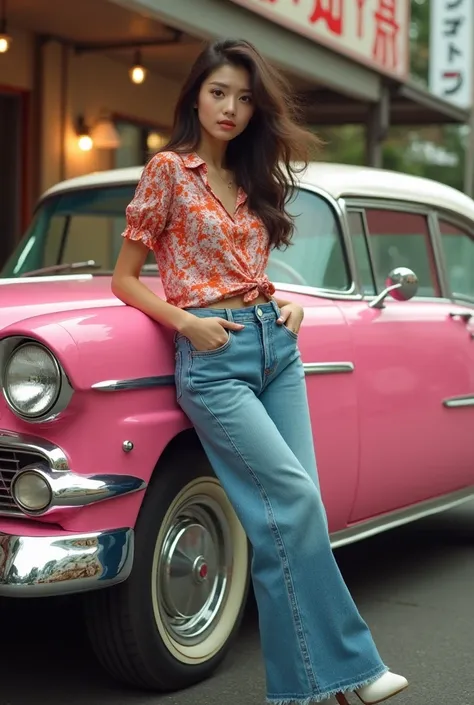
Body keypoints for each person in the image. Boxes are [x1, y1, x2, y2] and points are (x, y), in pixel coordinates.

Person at [112, 38, 409, 705]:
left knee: (296, 518)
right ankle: (354, 670)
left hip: (276, 347)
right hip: (214, 361)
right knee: (294, 505)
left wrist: (284, 300)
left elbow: (247, 272)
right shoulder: (167, 171)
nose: (232, 108)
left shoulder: (249, 175)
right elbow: (125, 279)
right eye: (219, 92)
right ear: (195, 94)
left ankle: (303, 689)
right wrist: (185, 322)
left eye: (245, 98)